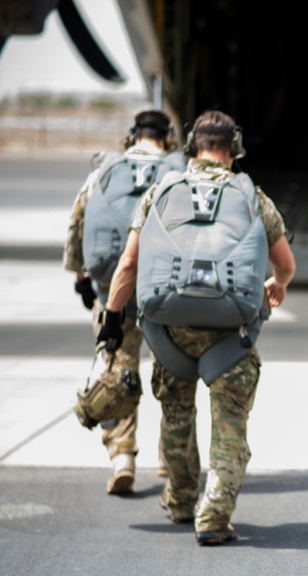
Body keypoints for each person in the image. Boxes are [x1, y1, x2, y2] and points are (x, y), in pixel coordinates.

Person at [98, 110, 296, 546]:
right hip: (231, 335)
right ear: (235, 148)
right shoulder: (251, 195)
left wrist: (113, 319)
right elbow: (285, 264)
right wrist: (276, 285)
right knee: (229, 427)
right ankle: (214, 516)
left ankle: (182, 499)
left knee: (175, 416)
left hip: (171, 332)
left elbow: (128, 264)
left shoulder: (160, 192)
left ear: (190, 145)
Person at [64, 109, 186, 494]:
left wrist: (81, 278)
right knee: (172, 375)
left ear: (133, 136)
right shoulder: (177, 172)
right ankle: (172, 459)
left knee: (119, 372)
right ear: (166, 139)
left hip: (112, 291)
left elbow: (77, 225)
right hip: (164, 291)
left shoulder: (103, 171)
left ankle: (122, 457)